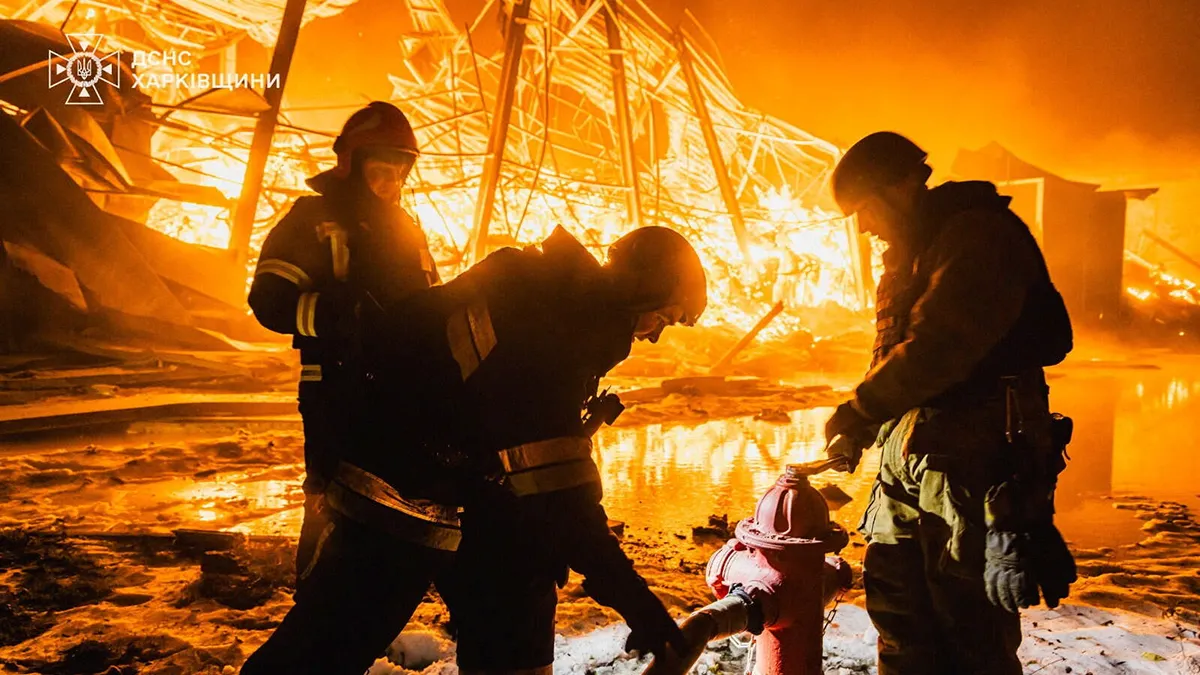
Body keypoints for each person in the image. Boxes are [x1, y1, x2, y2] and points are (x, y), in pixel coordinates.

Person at [241, 224, 702, 675]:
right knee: (323, 650)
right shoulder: (559, 326)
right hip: (397, 490)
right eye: (661, 317)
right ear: (639, 290)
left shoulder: (550, 290)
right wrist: (635, 600)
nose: (653, 334)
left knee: (520, 603)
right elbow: (563, 499)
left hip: (465, 489)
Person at [822, 132, 1078, 675]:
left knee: (969, 627)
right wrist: (864, 428)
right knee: (897, 612)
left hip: (975, 463)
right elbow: (895, 353)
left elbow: (941, 347)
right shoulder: (912, 253)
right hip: (910, 459)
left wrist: (861, 409)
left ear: (901, 185)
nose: (864, 227)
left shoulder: (978, 235)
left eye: (866, 209)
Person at [247, 101, 442, 583]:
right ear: (351, 165)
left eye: (399, 173)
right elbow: (268, 301)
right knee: (332, 503)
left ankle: (374, 603)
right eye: (380, 171)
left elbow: (429, 303)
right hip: (336, 386)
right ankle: (312, 604)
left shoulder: (407, 227)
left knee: (402, 502)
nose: (390, 184)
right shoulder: (314, 219)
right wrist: (339, 317)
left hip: (401, 392)